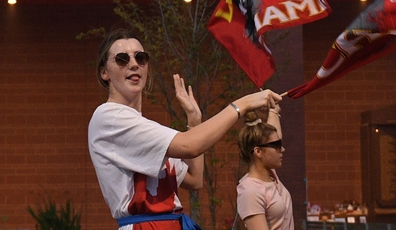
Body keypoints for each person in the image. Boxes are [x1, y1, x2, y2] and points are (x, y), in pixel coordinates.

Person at [88, 28, 282, 230]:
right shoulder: (108, 117)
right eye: (122, 59)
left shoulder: (144, 128)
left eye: (140, 57)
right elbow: (190, 145)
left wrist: (194, 121)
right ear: (104, 72)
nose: (134, 64)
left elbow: (194, 179)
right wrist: (242, 105)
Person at [236, 106, 293, 230]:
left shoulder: (270, 175)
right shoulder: (250, 191)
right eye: (277, 146)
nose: (282, 149)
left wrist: (274, 111)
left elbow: (273, 137)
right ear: (258, 152)